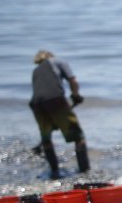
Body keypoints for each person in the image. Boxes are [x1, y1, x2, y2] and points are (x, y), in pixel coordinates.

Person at [29, 50, 90, 179]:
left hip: (36, 104)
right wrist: (75, 95)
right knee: (78, 136)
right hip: (56, 100)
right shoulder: (58, 61)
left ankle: (54, 172)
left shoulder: (36, 71)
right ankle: (85, 172)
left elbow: (40, 92)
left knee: (46, 139)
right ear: (50, 55)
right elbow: (72, 80)